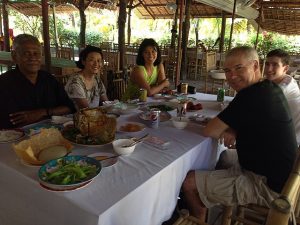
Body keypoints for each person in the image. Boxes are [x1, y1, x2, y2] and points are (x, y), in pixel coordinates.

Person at [182, 46, 297, 222]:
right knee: (219, 161)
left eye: (239, 68)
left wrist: (229, 127)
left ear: (255, 66)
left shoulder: (251, 95)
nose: (232, 76)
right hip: (278, 176)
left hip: (265, 186)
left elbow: (210, 130)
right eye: (227, 70)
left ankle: (199, 218)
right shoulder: (268, 88)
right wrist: (232, 128)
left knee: (189, 182)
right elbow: (248, 120)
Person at [0, 34, 76, 129]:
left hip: (53, 134)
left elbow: (69, 107)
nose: (32, 58)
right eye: (26, 53)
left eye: (36, 53)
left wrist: (42, 112)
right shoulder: (4, 83)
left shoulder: (49, 79)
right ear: (14, 56)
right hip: (15, 138)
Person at [265, 49, 300, 145]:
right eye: (267, 64)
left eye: (275, 65)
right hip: (277, 136)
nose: (268, 69)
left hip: (289, 145)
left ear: (285, 68)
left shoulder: (285, 86)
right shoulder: (275, 81)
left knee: (225, 155)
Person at [65, 45, 108, 110]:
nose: (96, 64)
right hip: (75, 118)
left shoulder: (96, 79)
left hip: (92, 116)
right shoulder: (75, 81)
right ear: (83, 61)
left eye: (99, 61)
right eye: (92, 60)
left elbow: (106, 103)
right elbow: (85, 109)